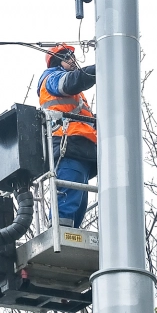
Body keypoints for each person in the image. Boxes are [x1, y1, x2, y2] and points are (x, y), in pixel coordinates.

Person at [38, 43, 97, 228]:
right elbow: (70, 82)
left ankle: (69, 234)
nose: (73, 61)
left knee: (78, 202)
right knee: (68, 198)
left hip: (81, 148)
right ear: (58, 60)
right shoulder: (52, 78)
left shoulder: (77, 95)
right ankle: (61, 233)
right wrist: (100, 68)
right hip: (68, 144)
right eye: (68, 57)